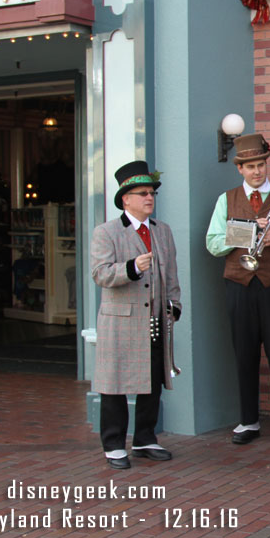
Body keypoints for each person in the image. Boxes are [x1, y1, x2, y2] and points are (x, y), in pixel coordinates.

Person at [205, 133, 270, 446]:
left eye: (261, 164)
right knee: (244, 353)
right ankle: (248, 420)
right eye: (250, 166)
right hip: (239, 283)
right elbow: (211, 244)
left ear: (267, 164)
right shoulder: (226, 200)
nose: (257, 171)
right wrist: (240, 235)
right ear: (240, 169)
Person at [91, 161, 181, 470]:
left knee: (153, 380)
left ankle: (145, 438)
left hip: (155, 317)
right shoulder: (106, 232)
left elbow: (171, 274)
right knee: (114, 383)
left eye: (152, 192)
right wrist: (131, 268)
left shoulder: (163, 231)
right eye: (143, 193)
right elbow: (100, 274)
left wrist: (174, 304)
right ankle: (114, 444)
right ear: (125, 199)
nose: (150, 198)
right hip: (121, 320)